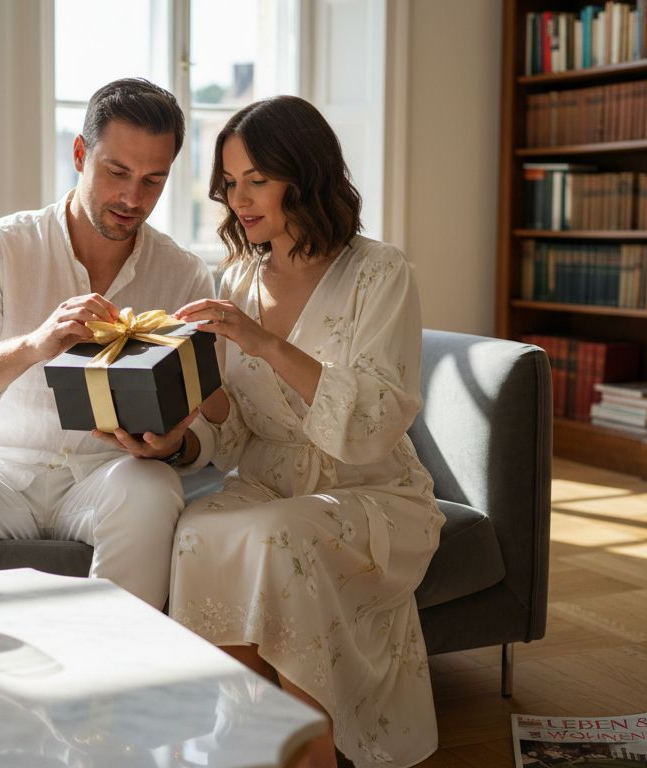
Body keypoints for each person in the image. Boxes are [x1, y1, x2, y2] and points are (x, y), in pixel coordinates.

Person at [169, 95, 445, 768]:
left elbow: (375, 422)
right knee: (195, 530)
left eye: (256, 178)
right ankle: (243, 744)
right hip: (268, 484)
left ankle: (313, 752)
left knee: (276, 535)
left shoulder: (380, 272)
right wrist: (191, 407)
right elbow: (232, 437)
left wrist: (264, 343)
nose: (239, 198)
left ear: (305, 172)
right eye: (230, 183)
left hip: (371, 491)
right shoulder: (235, 278)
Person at [0, 78, 217, 610]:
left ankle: (110, 680)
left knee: (155, 487)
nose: (132, 198)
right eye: (117, 172)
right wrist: (36, 344)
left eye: (153, 181)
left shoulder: (183, 274)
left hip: (108, 475)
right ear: (78, 153)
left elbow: (208, 423)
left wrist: (175, 445)